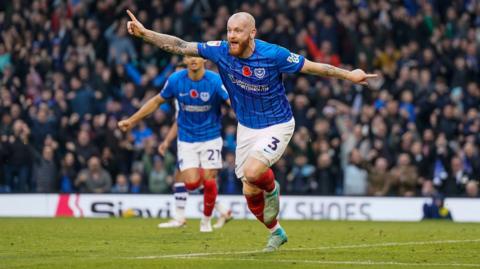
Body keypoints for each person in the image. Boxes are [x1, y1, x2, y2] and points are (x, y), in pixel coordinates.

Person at [124, 10, 377, 251]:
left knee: (253, 172)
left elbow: (314, 67)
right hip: (247, 127)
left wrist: (349, 75)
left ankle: (272, 188)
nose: (232, 35)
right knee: (248, 189)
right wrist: (146, 34)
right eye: (229, 30)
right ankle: (276, 232)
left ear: (252, 33)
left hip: (277, 124)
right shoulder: (221, 51)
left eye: (238, 31)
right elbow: (180, 46)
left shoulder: (274, 55)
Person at [118, 55, 231, 232]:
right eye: (189, 56)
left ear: (205, 60)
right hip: (186, 139)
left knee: (209, 180)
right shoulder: (176, 80)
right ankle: (219, 207)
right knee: (192, 183)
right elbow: (156, 101)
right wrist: (132, 120)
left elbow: (232, 101)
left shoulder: (215, 80)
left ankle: (206, 221)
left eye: (197, 56)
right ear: (185, 59)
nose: (193, 59)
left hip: (211, 136)